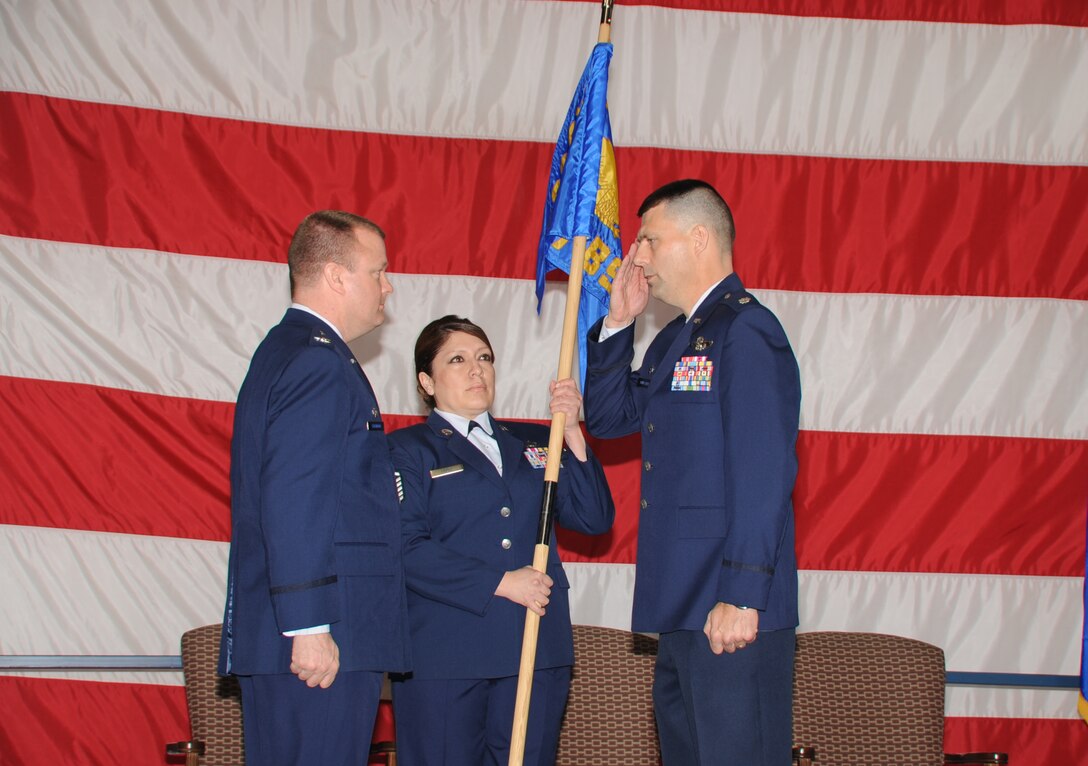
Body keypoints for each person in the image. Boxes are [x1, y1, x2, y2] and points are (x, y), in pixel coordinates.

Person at [582, 180, 801, 765]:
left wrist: (743, 593)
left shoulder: (746, 330)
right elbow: (608, 419)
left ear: (699, 238)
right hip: (682, 607)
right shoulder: (676, 338)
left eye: (651, 239)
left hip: (729, 607)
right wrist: (618, 324)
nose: (639, 258)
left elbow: (763, 473)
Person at [218, 210, 409, 766]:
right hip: (317, 638)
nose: (388, 285)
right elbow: (294, 499)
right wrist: (308, 626)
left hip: (310, 632)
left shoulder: (291, 350)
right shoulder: (317, 363)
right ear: (335, 276)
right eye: (378, 271)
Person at [388, 315, 615, 766]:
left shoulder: (535, 440)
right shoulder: (406, 450)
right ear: (426, 381)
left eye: (484, 358)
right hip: (448, 655)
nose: (477, 370)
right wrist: (501, 581)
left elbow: (593, 518)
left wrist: (571, 433)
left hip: (534, 646)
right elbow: (405, 547)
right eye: (458, 359)